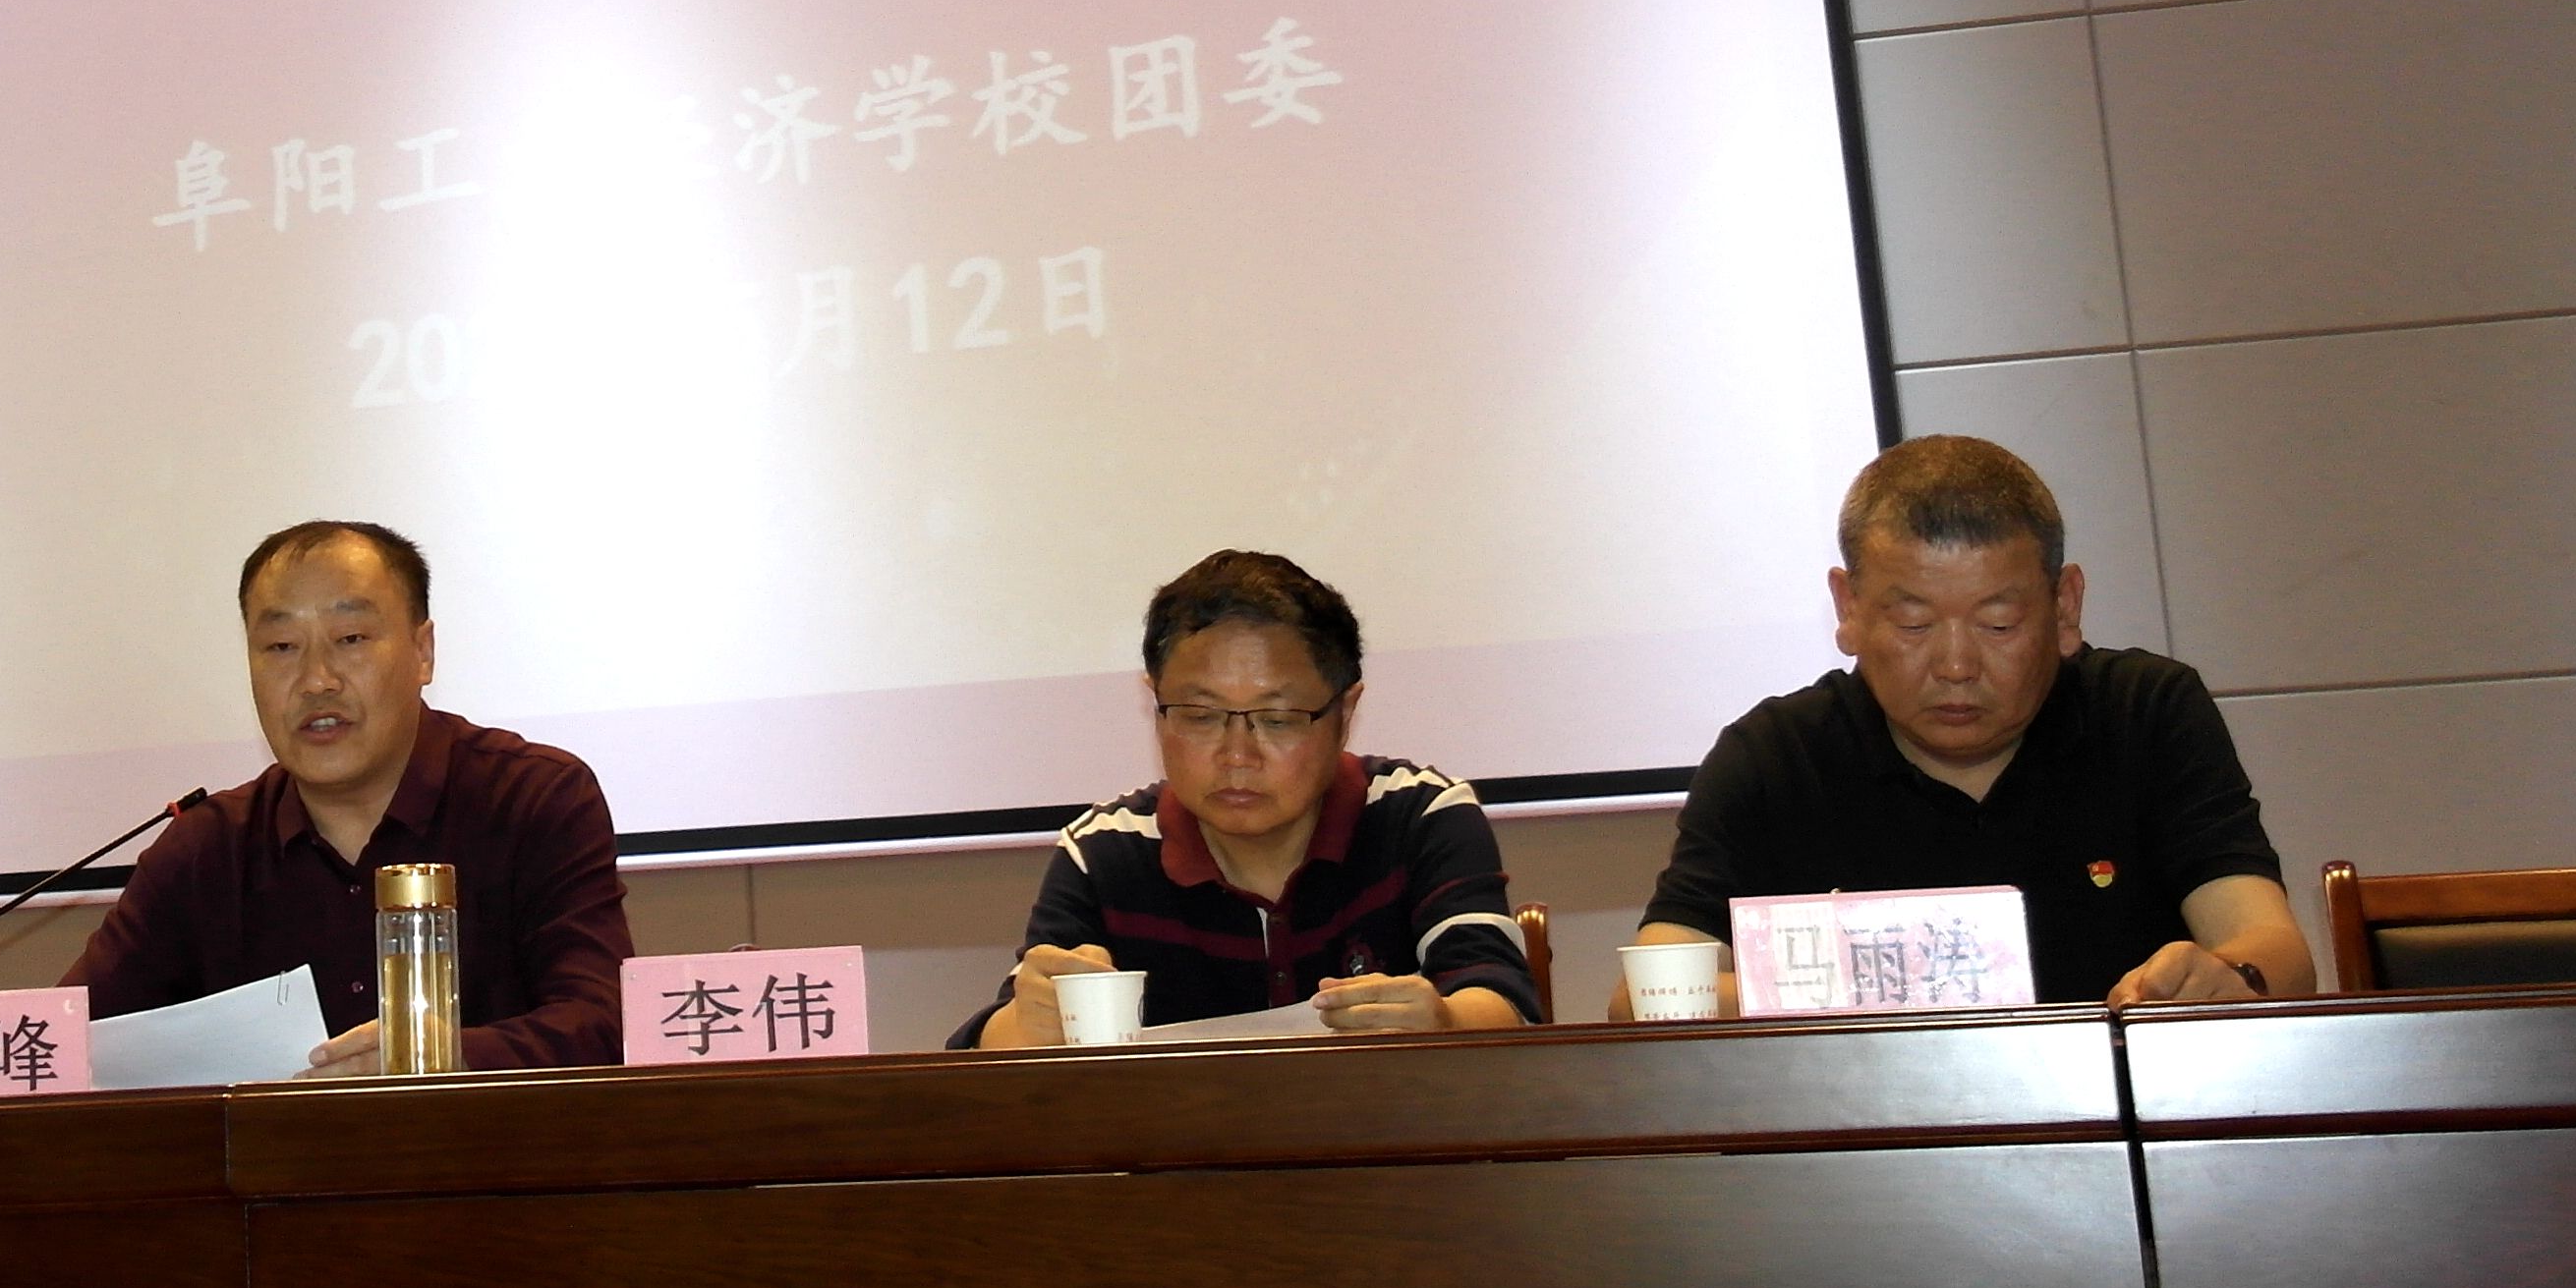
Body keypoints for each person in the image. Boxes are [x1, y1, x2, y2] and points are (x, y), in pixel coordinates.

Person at [1625, 435, 2312, 1013]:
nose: (1956, 666)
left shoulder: (2146, 712)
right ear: (1848, 608)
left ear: (2065, 606)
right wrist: (1861, 991)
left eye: (1998, 624)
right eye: (1913, 623)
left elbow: (2277, 951)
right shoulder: (1773, 758)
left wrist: (2231, 978)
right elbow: (1645, 997)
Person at [70, 519, 630, 1071]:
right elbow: (63, 1050)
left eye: (351, 639)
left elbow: (607, 1025)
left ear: (423, 651)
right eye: (281, 646)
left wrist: (444, 1058)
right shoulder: (206, 849)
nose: (317, 680)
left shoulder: (534, 799)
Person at [960, 550, 1538, 1047]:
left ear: (1345, 712)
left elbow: (1504, 1006)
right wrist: (1025, 1022)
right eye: (1199, 716)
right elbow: (993, 1049)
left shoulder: (1419, 816)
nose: (1237, 755)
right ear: (1155, 705)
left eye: (1278, 719)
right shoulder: (1105, 853)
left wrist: (1445, 1022)